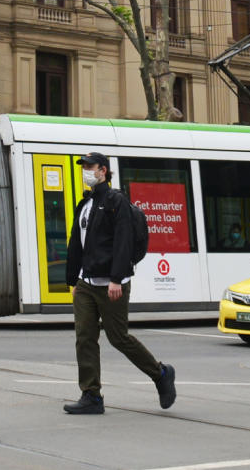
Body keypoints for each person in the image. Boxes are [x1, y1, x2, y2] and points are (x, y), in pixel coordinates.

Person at [63, 152, 176, 414]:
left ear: (103, 170)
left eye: (90, 167)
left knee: (118, 337)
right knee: (85, 338)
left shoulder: (116, 201)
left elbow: (123, 242)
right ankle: (91, 395)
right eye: (83, 168)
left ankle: (160, 373)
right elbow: (76, 244)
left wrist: (116, 279)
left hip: (112, 284)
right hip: (86, 284)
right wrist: (72, 280)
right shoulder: (86, 204)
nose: (85, 172)